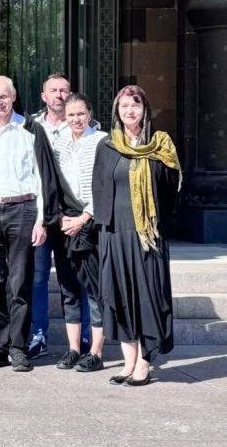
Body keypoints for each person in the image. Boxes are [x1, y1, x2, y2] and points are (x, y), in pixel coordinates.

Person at [0, 76, 64, 373]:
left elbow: (43, 177)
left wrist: (42, 220)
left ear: (13, 96)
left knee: (20, 283)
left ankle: (18, 347)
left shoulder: (31, 129)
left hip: (23, 210)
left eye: (3, 97)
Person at [94, 85, 179, 386]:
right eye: (124, 106)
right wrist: (103, 232)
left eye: (135, 105)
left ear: (145, 109)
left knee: (146, 296)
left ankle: (145, 361)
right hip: (115, 233)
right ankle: (128, 361)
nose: (130, 111)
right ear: (117, 111)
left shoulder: (160, 145)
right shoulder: (108, 145)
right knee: (120, 296)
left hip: (147, 235)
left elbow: (171, 192)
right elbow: (100, 189)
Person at [27, 72, 83, 359]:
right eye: (53, 90)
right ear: (43, 96)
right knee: (37, 279)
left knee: (72, 278)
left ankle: (83, 337)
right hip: (41, 217)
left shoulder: (84, 128)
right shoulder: (31, 127)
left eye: (64, 90)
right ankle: (39, 335)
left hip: (73, 218)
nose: (59, 95)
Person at [54, 93, 108, 373]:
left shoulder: (102, 141)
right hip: (64, 225)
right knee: (69, 288)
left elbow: (105, 186)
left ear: (89, 114)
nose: (75, 119)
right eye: (70, 114)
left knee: (95, 290)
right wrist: (62, 217)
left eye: (80, 114)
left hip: (91, 225)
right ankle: (74, 349)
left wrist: (85, 216)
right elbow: (52, 183)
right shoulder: (58, 143)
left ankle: (96, 351)